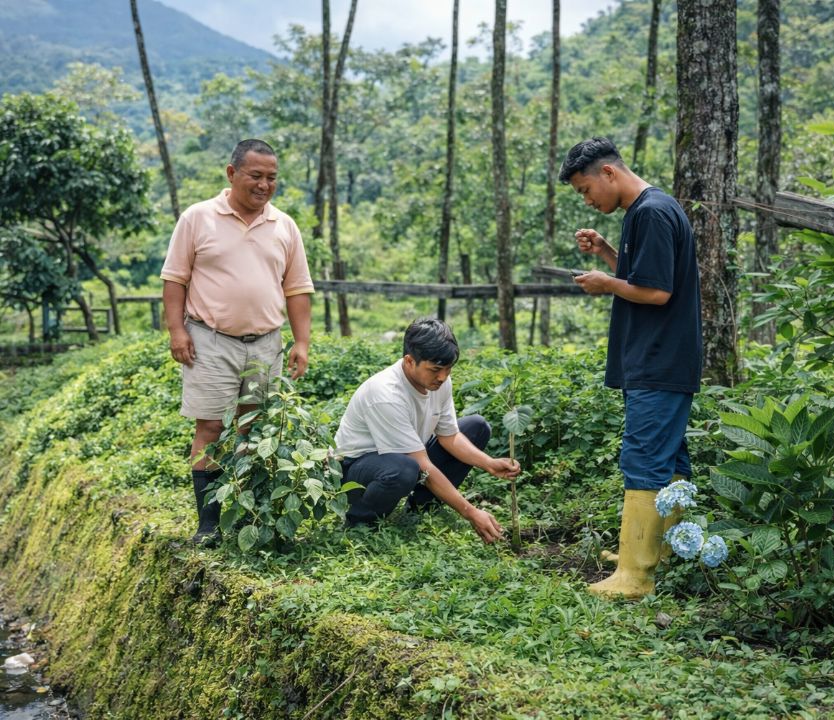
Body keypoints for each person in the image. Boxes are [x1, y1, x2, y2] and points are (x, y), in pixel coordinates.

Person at [559, 136, 702, 598]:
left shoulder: (651, 212)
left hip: (659, 359)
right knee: (669, 460)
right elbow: (645, 277)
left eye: (585, 189)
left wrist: (605, 284)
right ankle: (659, 552)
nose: (587, 199)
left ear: (608, 173)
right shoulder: (648, 211)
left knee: (643, 458)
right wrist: (605, 253)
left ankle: (635, 576)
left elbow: (658, 294)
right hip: (660, 358)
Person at [161, 138, 315, 545]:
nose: (264, 185)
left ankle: (245, 515)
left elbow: (297, 288)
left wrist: (302, 342)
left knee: (252, 428)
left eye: (272, 178)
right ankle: (207, 525)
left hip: (265, 343)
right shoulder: (198, 218)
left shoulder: (284, 225)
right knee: (211, 425)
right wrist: (177, 331)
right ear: (232, 174)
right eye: (256, 176)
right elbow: (175, 279)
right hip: (210, 340)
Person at [333, 318, 520, 544]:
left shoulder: (439, 382)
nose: (443, 377)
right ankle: (360, 522)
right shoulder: (386, 394)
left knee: (476, 427)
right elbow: (422, 465)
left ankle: (420, 510)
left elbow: (449, 437)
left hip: (406, 457)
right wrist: (471, 512)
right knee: (405, 468)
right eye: (436, 370)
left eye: (448, 369)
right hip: (355, 471)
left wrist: (489, 463)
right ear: (410, 361)